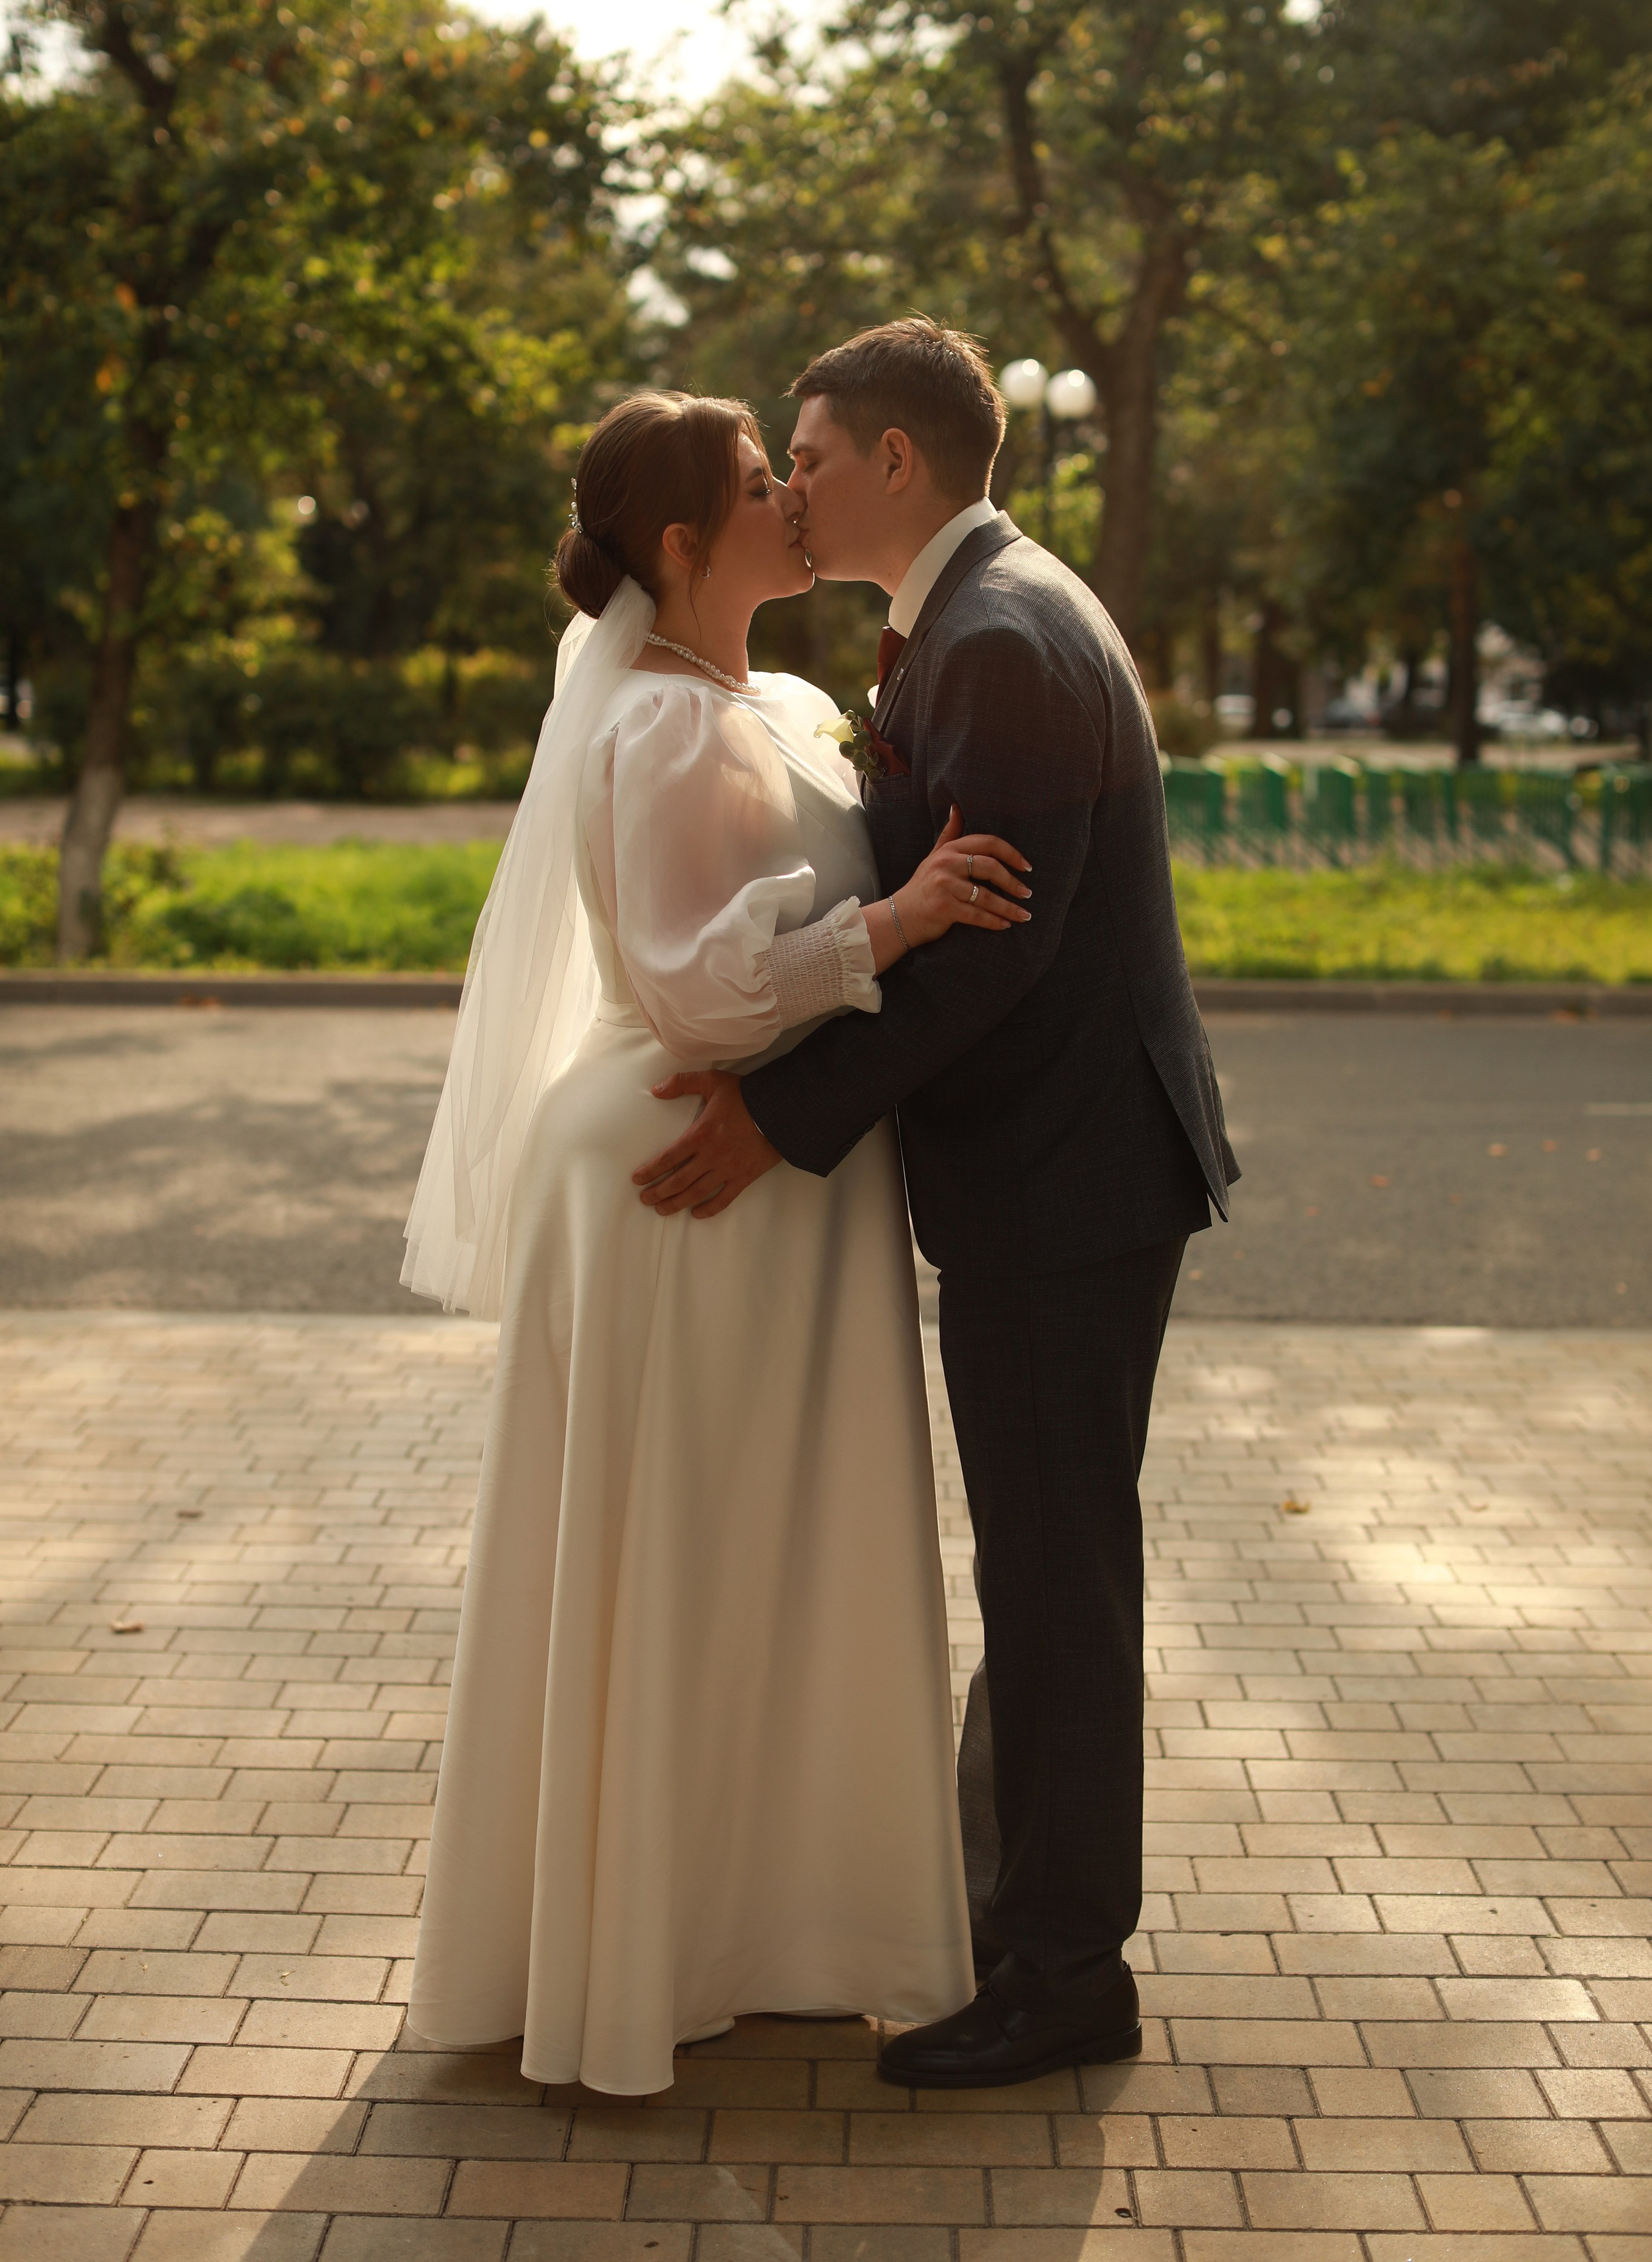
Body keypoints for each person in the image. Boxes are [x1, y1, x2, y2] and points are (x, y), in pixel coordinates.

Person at [400, 389, 1034, 2097]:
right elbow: (690, 987)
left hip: (775, 1194)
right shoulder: (666, 731)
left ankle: (773, 1921)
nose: (792, 500)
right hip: (691, 1186)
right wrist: (892, 924)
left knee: (767, 1558)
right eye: (764, 484)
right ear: (688, 548)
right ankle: (651, 1949)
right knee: (684, 1566)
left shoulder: (791, 703)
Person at [632, 321, 1240, 2091]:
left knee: (1058, 1575)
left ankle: (1063, 1973)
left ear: (897, 461)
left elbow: (993, 956)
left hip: (1070, 1182)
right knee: (1049, 1562)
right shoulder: (980, 616)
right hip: (1059, 1175)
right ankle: (1013, 1913)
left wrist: (778, 1123)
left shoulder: (1004, 638)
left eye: (807, 455)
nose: (790, 489)